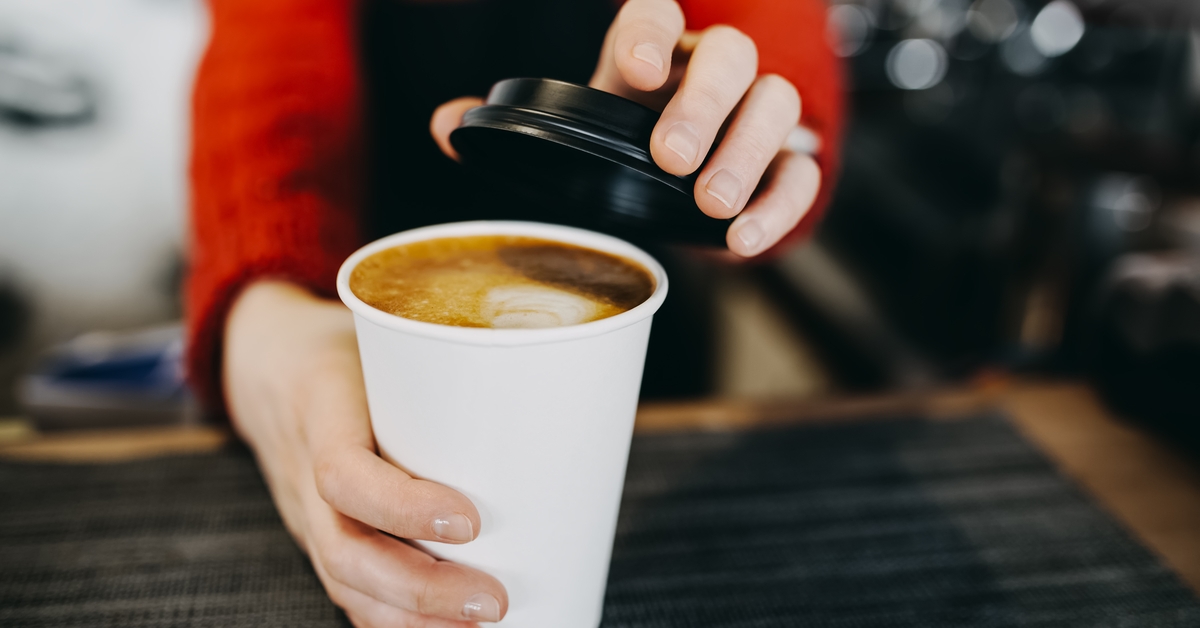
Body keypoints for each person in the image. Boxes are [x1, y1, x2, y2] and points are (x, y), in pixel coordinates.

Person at [187, 0, 844, 625]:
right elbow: (269, 77)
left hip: (652, 395)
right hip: (364, 350)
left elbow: (770, 38)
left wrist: (751, 135)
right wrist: (268, 322)